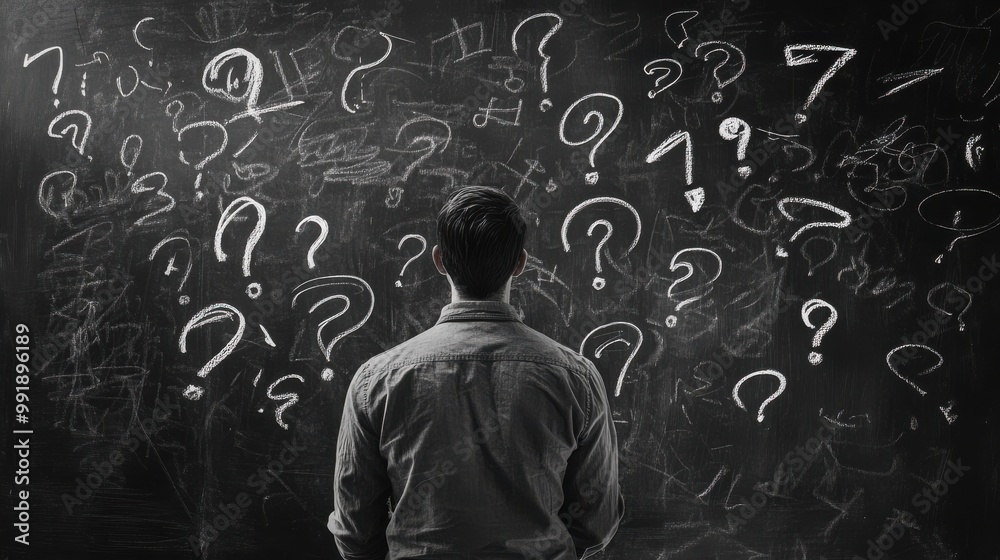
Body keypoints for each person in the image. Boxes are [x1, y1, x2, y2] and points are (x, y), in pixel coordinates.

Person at [329, 185, 624, 559]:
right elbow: (595, 522)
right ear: (520, 262)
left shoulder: (377, 380)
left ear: (439, 260)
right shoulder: (575, 378)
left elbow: (357, 533)